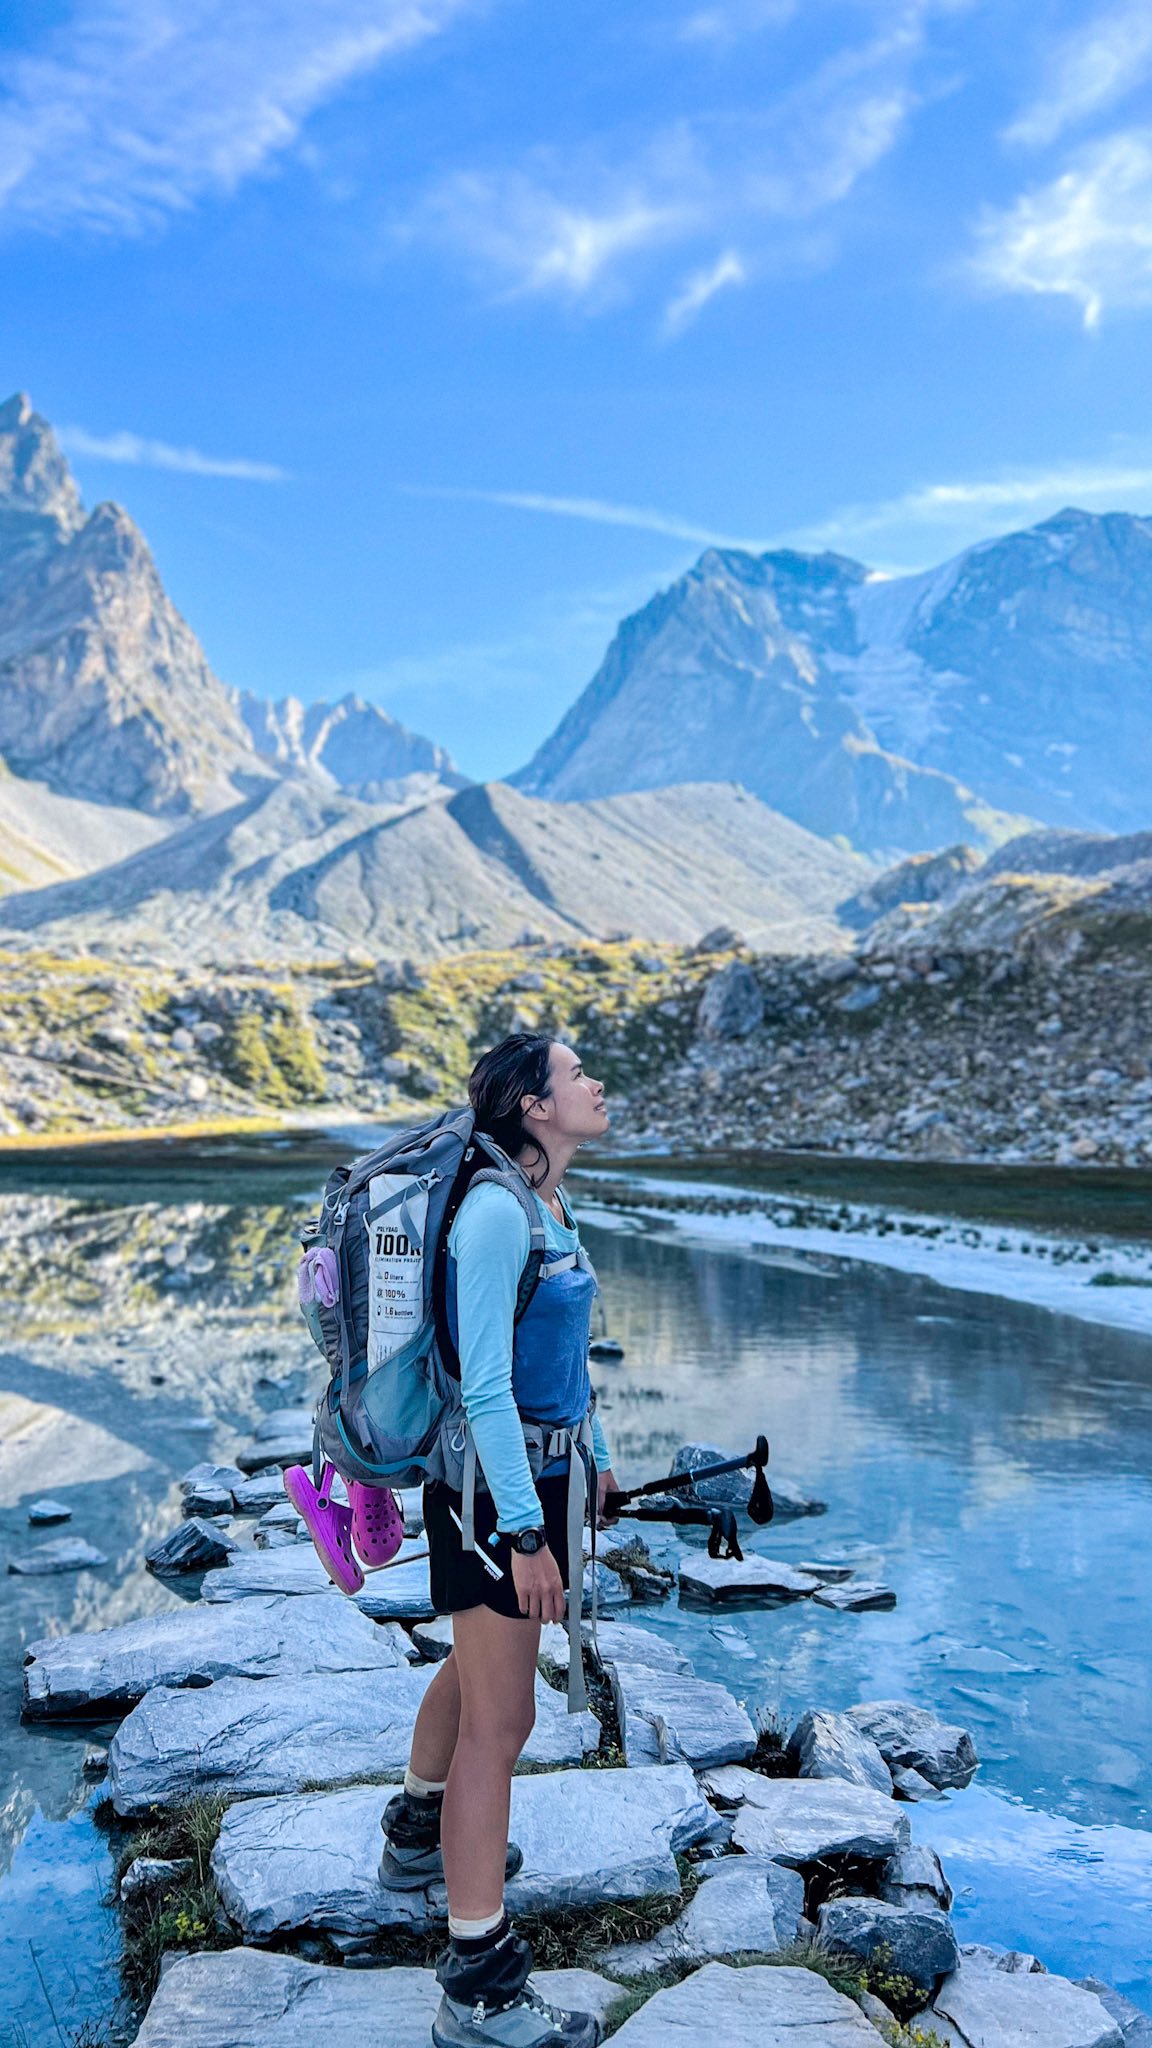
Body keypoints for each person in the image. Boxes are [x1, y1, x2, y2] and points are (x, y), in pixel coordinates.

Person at [379, 1034, 619, 2048]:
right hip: (492, 1492)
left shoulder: (550, 1204)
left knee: (483, 1679)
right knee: (503, 1720)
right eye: (576, 1074)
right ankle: (477, 1984)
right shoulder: (489, 1212)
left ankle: (413, 1836)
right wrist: (523, 1531)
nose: (595, 1084)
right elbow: (483, 1384)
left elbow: (564, 1353)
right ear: (532, 1104)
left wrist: (597, 1451)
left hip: (545, 1475)